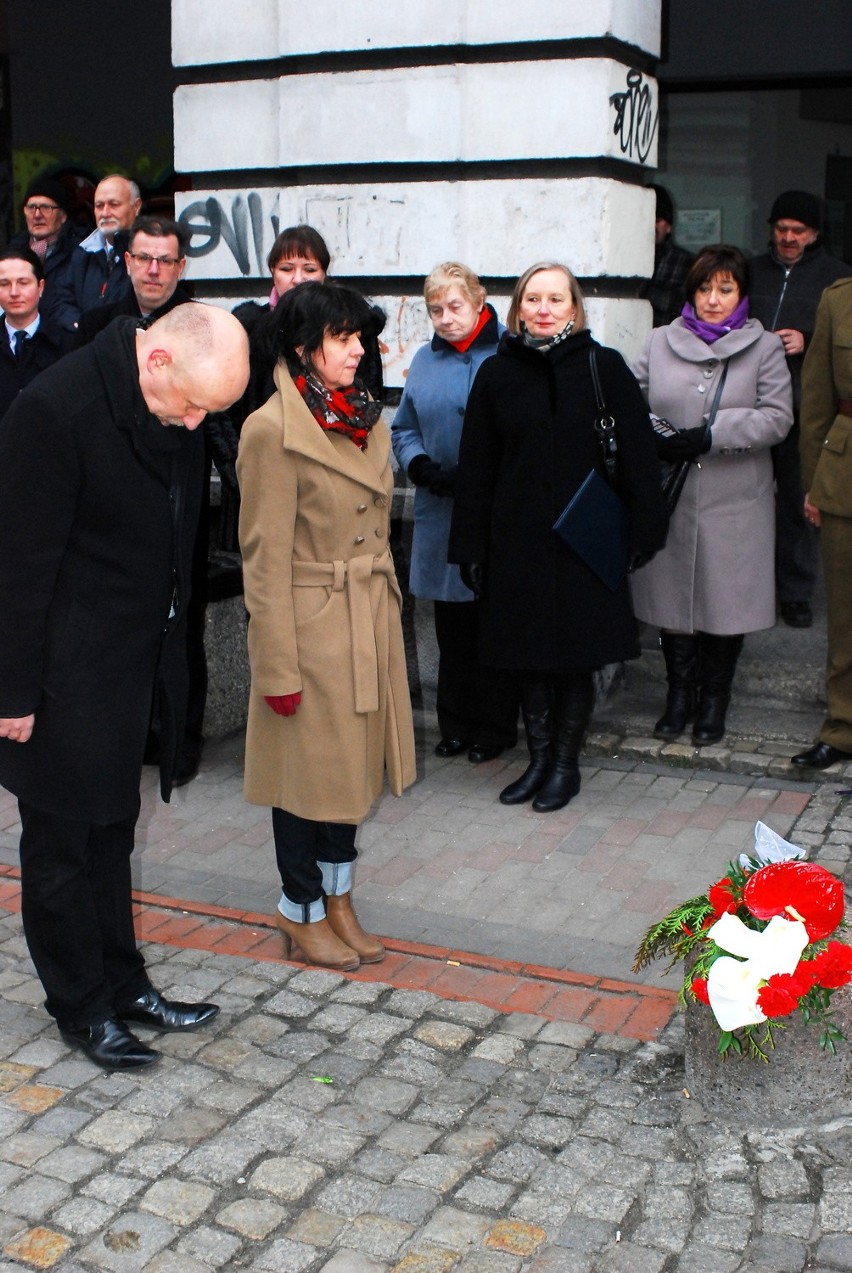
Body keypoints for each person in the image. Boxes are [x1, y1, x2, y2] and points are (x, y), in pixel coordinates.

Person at [0, 303, 250, 1071]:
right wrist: (13, 691)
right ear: (159, 361)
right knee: (60, 849)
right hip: (58, 672)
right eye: (197, 404)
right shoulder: (54, 409)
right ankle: (81, 1005)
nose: (200, 421)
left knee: (112, 832)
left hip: (133, 663)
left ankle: (125, 981)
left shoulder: (167, 404)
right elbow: (17, 564)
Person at [237, 282, 415, 969]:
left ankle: (339, 898)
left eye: (360, 336)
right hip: (311, 626)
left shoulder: (364, 415)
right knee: (303, 780)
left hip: (365, 618)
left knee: (350, 774)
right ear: (305, 349)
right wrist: (276, 664)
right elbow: (263, 558)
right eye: (344, 338)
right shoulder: (271, 430)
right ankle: (300, 907)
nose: (360, 349)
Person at [448, 262, 667, 812]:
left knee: (575, 657)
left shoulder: (603, 367)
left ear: (574, 308)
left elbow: (639, 455)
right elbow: (477, 467)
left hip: (585, 542)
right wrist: (471, 547)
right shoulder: (497, 374)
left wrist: (644, 529)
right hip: (516, 542)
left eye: (556, 299)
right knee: (525, 656)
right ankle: (539, 759)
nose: (544, 310)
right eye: (533, 299)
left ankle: (565, 765)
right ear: (519, 307)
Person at [631, 245, 793, 746]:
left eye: (725, 289)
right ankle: (678, 694)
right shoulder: (660, 341)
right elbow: (631, 398)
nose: (713, 300)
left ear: (741, 293)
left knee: (727, 602)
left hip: (736, 498)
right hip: (671, 493)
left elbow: (778, 417)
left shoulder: (763, 346)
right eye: (704, 288)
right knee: (672, 598)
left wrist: (713, 432)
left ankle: (713, 701)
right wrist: (657, 433)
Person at [392, 262, 518, 763]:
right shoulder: (424, 359)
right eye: (435, 310)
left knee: (493, 623)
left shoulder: (510, 353)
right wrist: (420, 466)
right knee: (451, 628)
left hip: (495, 513)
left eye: (455, 307)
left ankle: (495, 728)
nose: (445, 318)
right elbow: (403, 427)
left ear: (480, 301)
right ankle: (456, 724)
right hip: (442, 508)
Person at [749, 190, 852, 629]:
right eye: (782, 228)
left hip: (805, 405)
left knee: (799, 499)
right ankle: (748, 588)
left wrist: (806, 339)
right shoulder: (750, 272)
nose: (789, 237)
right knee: (747, 499)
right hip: (749, 402)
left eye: (799, 230)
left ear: (814, 234)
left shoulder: (837, 279)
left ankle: (795, 592)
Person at [792, 277, 852, 770]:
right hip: (846, 475)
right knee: (846, 615)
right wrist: (814, 481)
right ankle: (842, 726)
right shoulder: (838, 298)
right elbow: (816, 401)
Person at [74, 215, 192, 344]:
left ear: (180, 268)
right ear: (128, 263)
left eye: (165, 261)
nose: (153, 270)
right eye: (144, 258)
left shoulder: (206, 325)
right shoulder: (94, 326)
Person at [52, 174, 142, 334]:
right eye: (99, 206)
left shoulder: (148, 255)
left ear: (136, 207)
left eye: (114, 204)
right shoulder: (82, 253)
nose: (105, 212)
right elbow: (60, 300)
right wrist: (81, 326)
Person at [0, 248, 67, 420]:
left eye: (23, 282)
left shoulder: (66, 342)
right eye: (4, 284)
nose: (14, 292)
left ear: (41, 287)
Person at [9, 177, 83, 327]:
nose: (37, 215)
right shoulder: (12, 252)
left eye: (45, 208)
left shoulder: (81, 252)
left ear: (63, 216)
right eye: (31, 207)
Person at [641, 185, 695, 328]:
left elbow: (684, 307)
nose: (651, 226)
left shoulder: (686, 262)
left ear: (669, 227)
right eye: (646, 219)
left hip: (668, 343)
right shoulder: (624, 260)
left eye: (657, 220)